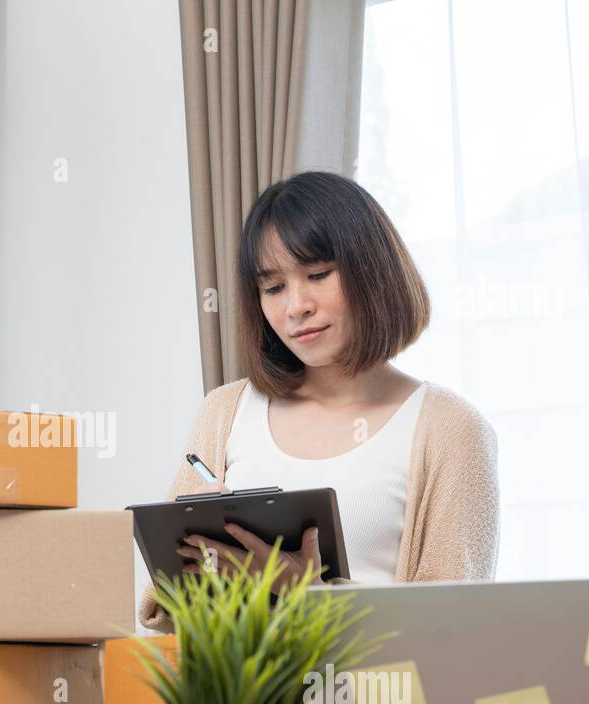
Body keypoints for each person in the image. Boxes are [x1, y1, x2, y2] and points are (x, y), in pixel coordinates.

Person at [139, 171, 499, 633]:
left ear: (373, 271)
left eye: (318, 275)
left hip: (371, 683)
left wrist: (313, 594)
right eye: (273, 288)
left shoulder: (450, 429)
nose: (296, 307)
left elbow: (459, 628)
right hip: (239, 683)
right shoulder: (224, 412)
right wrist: (202, 562)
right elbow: (163, 611)